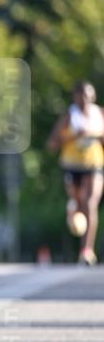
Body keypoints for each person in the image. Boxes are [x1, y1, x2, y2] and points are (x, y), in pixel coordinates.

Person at [47, 80, 104, 265]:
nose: (84, 100)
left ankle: (87, 250)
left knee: (91, 203)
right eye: (81, 96)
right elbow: (52, 144)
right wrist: (74, 135)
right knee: (79, 205)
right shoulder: (69, 117)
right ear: (75, 97)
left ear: (93, 97)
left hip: (94, 165)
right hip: (72, 166)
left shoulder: (99, 115)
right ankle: (72, 210)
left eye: (88, 96)